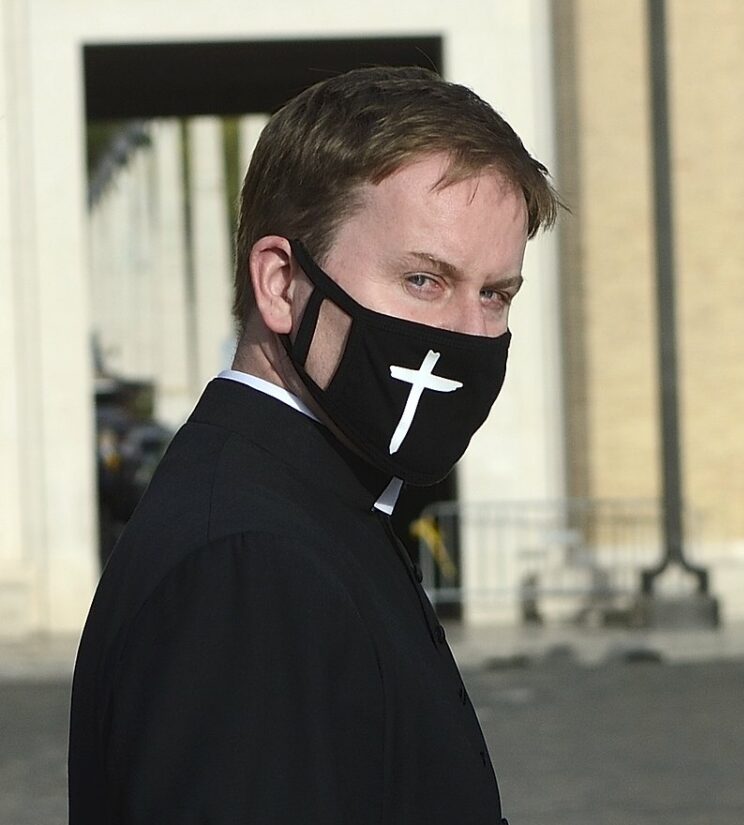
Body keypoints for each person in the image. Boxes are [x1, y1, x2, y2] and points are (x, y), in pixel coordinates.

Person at [69, 67, 559, 823]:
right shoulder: (250, 566)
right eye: (425, 280)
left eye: (495, 293)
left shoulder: (319, 507)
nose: (469, 333)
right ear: (280, 283)